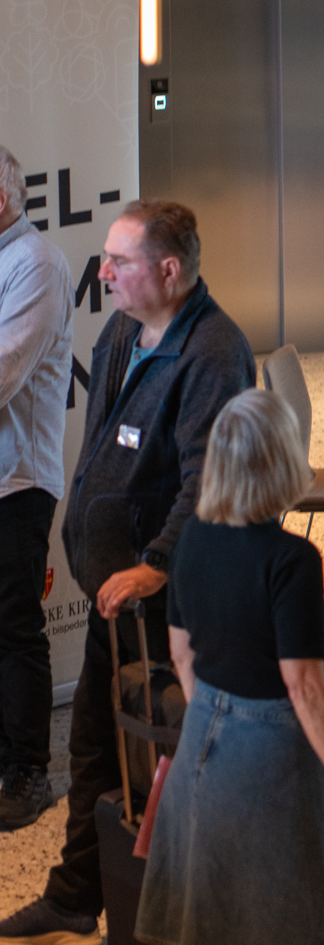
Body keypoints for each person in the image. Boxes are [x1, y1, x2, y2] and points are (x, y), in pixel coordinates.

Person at [0, 200, 254, 945]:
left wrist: (156, 566)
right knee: (90, 756)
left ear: (169, 270)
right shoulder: (119, 330)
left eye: (119, 261)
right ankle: (77, 894)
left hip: (164, 609)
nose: (102, 272)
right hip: (112, 599)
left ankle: (176, 917)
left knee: (158, 772)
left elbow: (209, 479)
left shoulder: (213, 351)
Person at [134, 390, 324, 945]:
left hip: (201, 741)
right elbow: (304, 687)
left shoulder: (189, 541)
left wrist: (215, 708)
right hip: (270, 761)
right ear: (284, 460)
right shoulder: (292, 560)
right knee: (286, 915)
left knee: (210, 914)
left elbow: (181, 653)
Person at [0, 147, 72, 833]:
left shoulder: (37, 264)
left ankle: (29, 770)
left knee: (14, 626)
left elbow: (3, 373)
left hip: (15, 480)